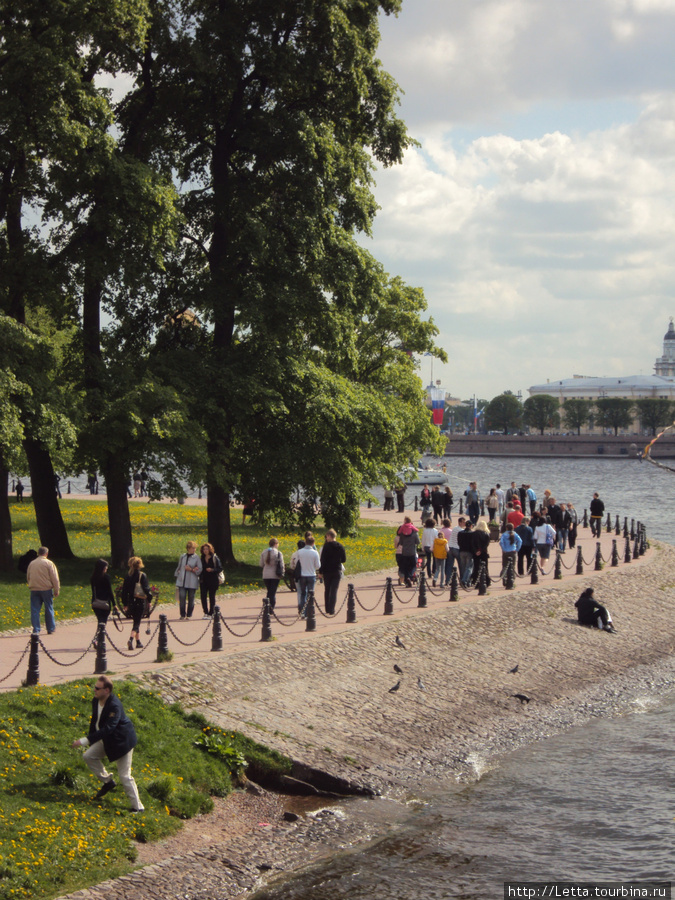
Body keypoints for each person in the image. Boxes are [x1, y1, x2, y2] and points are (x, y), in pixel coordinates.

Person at [72, 675, 144, 812]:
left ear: (107, 690)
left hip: (122, 742)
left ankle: (138, 807)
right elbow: (95, 721)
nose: (94, 690)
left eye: (97, 688)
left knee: (125, 776)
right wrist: (91, 738)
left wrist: (85, 740)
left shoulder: (114, 706)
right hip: (106, 739)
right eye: (95, 687)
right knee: (89, 756)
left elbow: (109, 728)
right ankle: (108, 782)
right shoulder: (96, 700)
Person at [27, 547, 60, 635]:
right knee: (49, 608)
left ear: (38, 553)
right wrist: (56, 589)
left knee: (35, 610)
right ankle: (50, 628)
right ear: (46, 553)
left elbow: (28, 576)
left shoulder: (32, 563)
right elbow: (55, 578)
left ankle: (36, 629)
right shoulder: (49, 563)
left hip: (34, 589)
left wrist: (30, 584)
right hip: (46, 589)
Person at [121, 557, 151, 650]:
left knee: (136, 620)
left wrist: (125, 603)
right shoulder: (142, 575)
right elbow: (146, 589)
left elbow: (124, 591)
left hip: (131, 601)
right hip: (139, 601)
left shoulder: (128, 576)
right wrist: (149, 599)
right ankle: (130, 639)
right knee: (137, 623)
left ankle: (138, 641)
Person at [320, 529, 346, 615]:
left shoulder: (326, 546)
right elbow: (344, 559)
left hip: (327, 571)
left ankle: (327, 608)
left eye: (326, 536)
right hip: (336, 570)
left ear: (329, 536)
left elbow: (322, 560)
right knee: (334, 590)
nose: (326, 538)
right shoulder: (340, 546)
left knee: (327, 589)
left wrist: (320, 571)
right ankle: (332, 609)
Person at [174, 541, 202, 620]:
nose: (194, 550)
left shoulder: (196, 558)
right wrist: (177, 574)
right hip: (182, 581)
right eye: (193, 548)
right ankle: (182, 614)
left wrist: (191, 569)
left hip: (192, 581)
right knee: (182, 597)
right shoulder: (183, 556)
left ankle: (189, 614)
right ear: (188, 548)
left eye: (195, 548)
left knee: (191, 598)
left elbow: (200, 569)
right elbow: (179, 566)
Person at [295, 534, 321, 616]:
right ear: (313, 544)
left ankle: (303, 611)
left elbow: (296, 563)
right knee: (311, 594)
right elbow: (318, 566)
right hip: (311, 575)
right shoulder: (315, 553)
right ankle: (310, 611)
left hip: (302, 575)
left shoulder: (300, 552)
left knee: (303, 594)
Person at [90, 558, 116, 635]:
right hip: (105, 603)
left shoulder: (93, 578)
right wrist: (114, 604)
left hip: (96, 602)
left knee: (100, 621)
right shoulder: (106, 577)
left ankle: (97, 639)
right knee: (103, 622)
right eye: (106, 567)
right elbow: (109, 591)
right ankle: (100, 640)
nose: (106, 568)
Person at [200, 542, 223, 618]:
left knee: (211, 596)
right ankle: (205, 612)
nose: (205, 550)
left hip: (213, 580)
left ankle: (211, 613)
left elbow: (220, 568)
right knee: (203, 596)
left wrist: (212, 569)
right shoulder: (202, 558)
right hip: (203, 580)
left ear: (210, 549)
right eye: (204, 549)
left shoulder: (214, 558)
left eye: (207, 549)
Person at [396, 517, 420, 587]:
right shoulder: (415, 533)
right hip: (412, 552)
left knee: (405, 567)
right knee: (414, 565)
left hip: (404, 552)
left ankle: (407, 581)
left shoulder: (402, 534)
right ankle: (411, 576)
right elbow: (418, 542)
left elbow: (401, 543)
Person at [471, 520, 491, 586]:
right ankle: (487, 581)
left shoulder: (474, 533)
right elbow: (486, 544)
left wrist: (476, 551)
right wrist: (481, 550)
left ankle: (476, 582)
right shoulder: (486, 534)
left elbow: (473, 543)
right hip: (484, 552)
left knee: (476, 567)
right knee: (485, 567)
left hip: (476, 552)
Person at [457, 520, 474, 586]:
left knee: (463, 567)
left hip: (461, 551)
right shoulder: (472, 533)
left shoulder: (460, 533)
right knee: (469, 567)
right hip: (469, 551)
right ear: (471, 526)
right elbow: (473, 543)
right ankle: (464, 580)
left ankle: (467, 581)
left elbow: (458, 542)